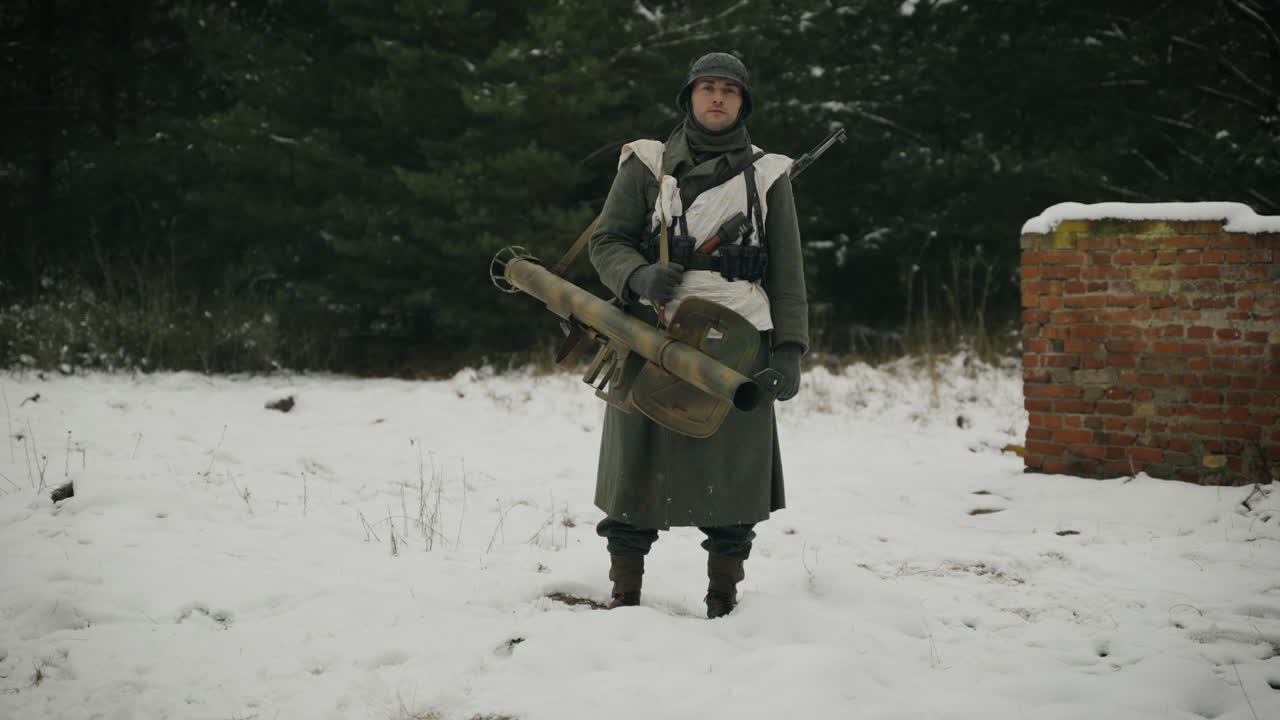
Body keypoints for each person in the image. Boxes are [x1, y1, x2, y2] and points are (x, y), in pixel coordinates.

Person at [587, 51, 809, 619]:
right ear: (688, 97)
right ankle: (625, 592)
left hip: (739, 342)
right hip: (650, 334)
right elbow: (606, 241)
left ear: (742, 102)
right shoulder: (647, 162)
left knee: (734, 476)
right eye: (707, 88)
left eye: (729, 90)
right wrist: (637, 274)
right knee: (634, 470)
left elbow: (787, 271)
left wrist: (788, 349)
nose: (717, 98)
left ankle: (723, 597)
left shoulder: (768, 173)